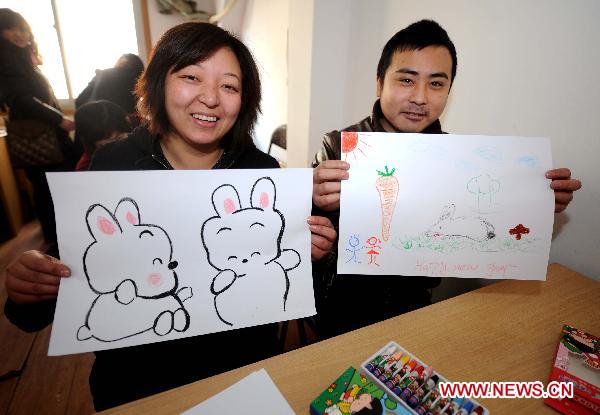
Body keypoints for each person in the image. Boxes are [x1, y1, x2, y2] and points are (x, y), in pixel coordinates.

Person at [4, 22, 336, 410]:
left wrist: (312, 253)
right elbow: (76, 274)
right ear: (159, 82)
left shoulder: (259, 169)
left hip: (240, 375)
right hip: (138, 383)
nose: (211, 98)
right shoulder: (114, 163)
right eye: (191, 77)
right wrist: (30, 289)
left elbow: (278, 277)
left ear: (244, 101)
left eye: (229, 86)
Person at [311, 19, 582, 337]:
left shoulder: (460, 160)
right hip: (342, 309)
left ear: (449, 90)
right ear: (379, 82)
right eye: (407, 80)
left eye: (436, 84)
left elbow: (477, 219)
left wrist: (534, 203)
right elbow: (305, 239)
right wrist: (311, 200)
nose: (420, 97)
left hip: (416, 309)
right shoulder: (338, 146)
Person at [0, 8, 81, 245]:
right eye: (12, 28)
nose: (20, 33)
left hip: (45, 134)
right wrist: (59, 118)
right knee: (49, 189)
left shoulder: (22, 59)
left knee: (49, 186)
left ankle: (59, 237)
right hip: (39, 135)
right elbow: (22, 100)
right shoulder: (6, 62)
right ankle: (57, 241)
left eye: (23, 28)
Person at [75, 53, 145, 124]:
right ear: (140, 68)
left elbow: (79, 101)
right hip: (120, 128)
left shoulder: (101, 75)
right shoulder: (136, 79)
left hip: (94, 125)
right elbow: (139, 109)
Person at [74, 100, 131, 171]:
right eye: (103, 146)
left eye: (118, 138)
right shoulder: (86, 168)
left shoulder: (139, 135)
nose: (114, 148)